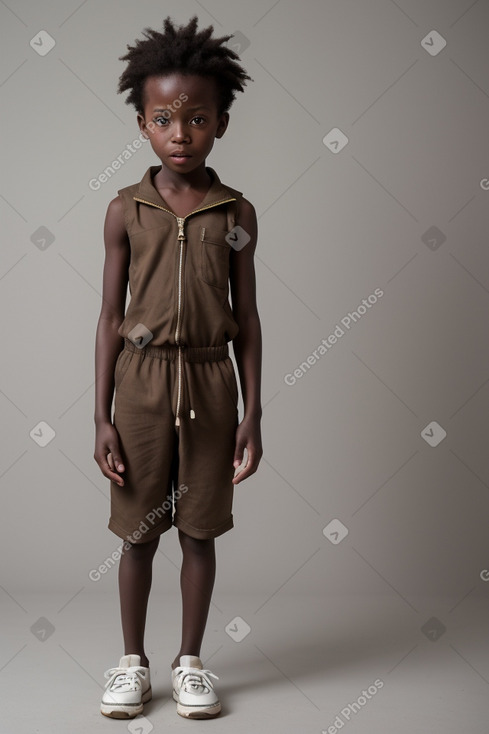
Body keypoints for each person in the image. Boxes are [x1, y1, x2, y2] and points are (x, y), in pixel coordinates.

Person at [93, 15, 262, 721]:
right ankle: (131, 663)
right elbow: (107, 317)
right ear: (142, 125)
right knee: (137, 533)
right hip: (138, 384)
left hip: (210, 382)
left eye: (196, 118)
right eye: (164, 118)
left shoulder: (237, 212)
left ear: (219, 123)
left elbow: (246, 318)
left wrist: (254, 413)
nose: (180, 132)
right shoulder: (123, 211)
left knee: (198, 529)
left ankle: (190, 662)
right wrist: (99, 415)